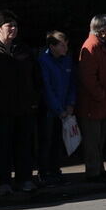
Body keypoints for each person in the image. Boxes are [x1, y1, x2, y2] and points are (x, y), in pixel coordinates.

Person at [0, 11, 40, 195]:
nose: (13, 29)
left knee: (24, 146)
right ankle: (2, 181)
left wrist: (33, 99)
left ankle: (24, 179)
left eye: (15, 26)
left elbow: (35, 76)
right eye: (9, 25)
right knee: (0, 146)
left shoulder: (24, 49)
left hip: (24, 107)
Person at [76, 14, 106, 182]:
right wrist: (101, 94)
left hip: (101, 102)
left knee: (99, 139)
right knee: (93, 140)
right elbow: (88, 78)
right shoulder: (91, 46)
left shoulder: (100, 45)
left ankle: (99, 169)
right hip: (93, 103)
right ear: (102, 30)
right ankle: (93, 172)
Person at [37, 30, 76, 185]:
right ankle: (44, 172)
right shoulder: (43, 61)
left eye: (66, 45)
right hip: (49, 109)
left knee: (58, 141)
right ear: (52, 46)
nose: (65, 48)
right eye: (61, 45)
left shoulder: (66, 61)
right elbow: (47, 88)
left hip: (65, 109)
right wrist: (58, 109)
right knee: (46, 141)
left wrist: (70, 104)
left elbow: (72, 83)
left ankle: (55, 170)